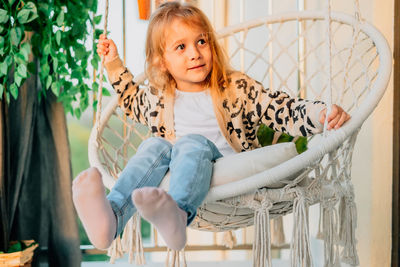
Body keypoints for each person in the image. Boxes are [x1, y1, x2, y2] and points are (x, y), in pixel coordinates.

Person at [72, 1, 350, 252]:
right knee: (153, 145)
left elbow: (280, 108)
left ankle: (177, 214)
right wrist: (113, 64)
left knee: (191, 143)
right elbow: (131, 101)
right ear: (161, 61)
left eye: (201, 42)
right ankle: (112, 217)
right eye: (181, 47)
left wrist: (319, 113)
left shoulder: (235, 88)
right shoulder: (159, 96)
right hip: (175, 171)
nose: (195, 53)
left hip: (222, 169)